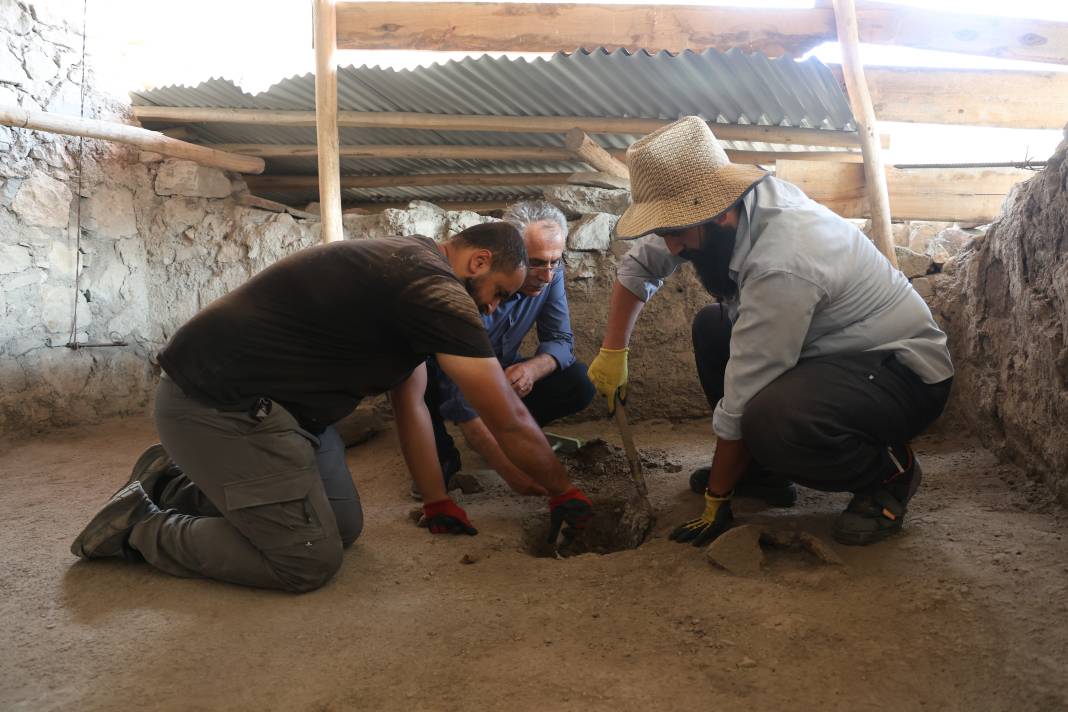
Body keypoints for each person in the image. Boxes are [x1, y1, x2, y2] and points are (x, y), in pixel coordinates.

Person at [71, 223, 593, 592]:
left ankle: (171, 482)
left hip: (288, 416)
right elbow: (504, 414)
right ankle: (140, 526)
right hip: (220, 404)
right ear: (478, 261)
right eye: (498, 292)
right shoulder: (432, 288)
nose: (495, 308)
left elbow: (410, 404)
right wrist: (561, 489)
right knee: (305, 561)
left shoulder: (413, 272)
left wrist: (436, 500)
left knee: (342, 527)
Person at [587, 116, 954, 547]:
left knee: (771, 419)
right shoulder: (715, 211)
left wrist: (716, 500)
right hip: (831, 355)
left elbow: (744, 392)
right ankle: (762, 473)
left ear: (718, 213)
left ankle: (889, 475)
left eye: (676, 233)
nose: (671, 247)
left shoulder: (784, 257)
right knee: (712, 326)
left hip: (900, 373)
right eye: (663, 232)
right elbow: (639, 266)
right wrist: (614, 351)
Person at [416, 200, 596, 499]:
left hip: (498, 374)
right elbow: (460, 387)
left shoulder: (550, 277)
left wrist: (532, 369)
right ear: (509, 254)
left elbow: (561, 340)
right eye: (536, 262)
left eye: (555, 261)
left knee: (577, 381)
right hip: (446, 375)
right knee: (419, 378)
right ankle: (440, 454)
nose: (547, 275)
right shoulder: (468, 285)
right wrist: (512, 474)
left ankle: (510, 436)